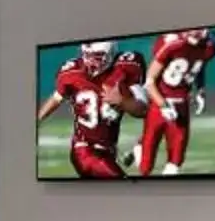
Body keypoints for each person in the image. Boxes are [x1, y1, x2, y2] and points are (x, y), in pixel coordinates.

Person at [35, 40, 147, 178]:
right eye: (86, 55)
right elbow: (56, 98)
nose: (90, 61)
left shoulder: (125, 68)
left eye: (97, 56)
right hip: (84, 151)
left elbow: (142, 110)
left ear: (110, 55)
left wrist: (122, 101)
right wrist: (36, 120)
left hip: (108, 152)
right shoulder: (72, 72)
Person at [134, 27, 215, 175]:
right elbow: (150, 81)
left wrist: (200, 90)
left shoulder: (209, 46)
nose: (192, 33)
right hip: (159, 104)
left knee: (176, 162)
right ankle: (140, 145)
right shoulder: (172, 43)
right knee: (145, 166)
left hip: (182, 104)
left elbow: (198, 65)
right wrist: (163, 105)